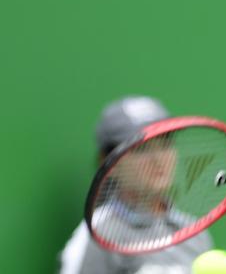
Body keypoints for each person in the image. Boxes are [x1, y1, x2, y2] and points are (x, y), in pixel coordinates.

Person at [59, 96, 214, 274]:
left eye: (164, 143)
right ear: (108, 162)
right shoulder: (97, 236)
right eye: (141, 148)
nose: (158, 159)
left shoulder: (195, 233)